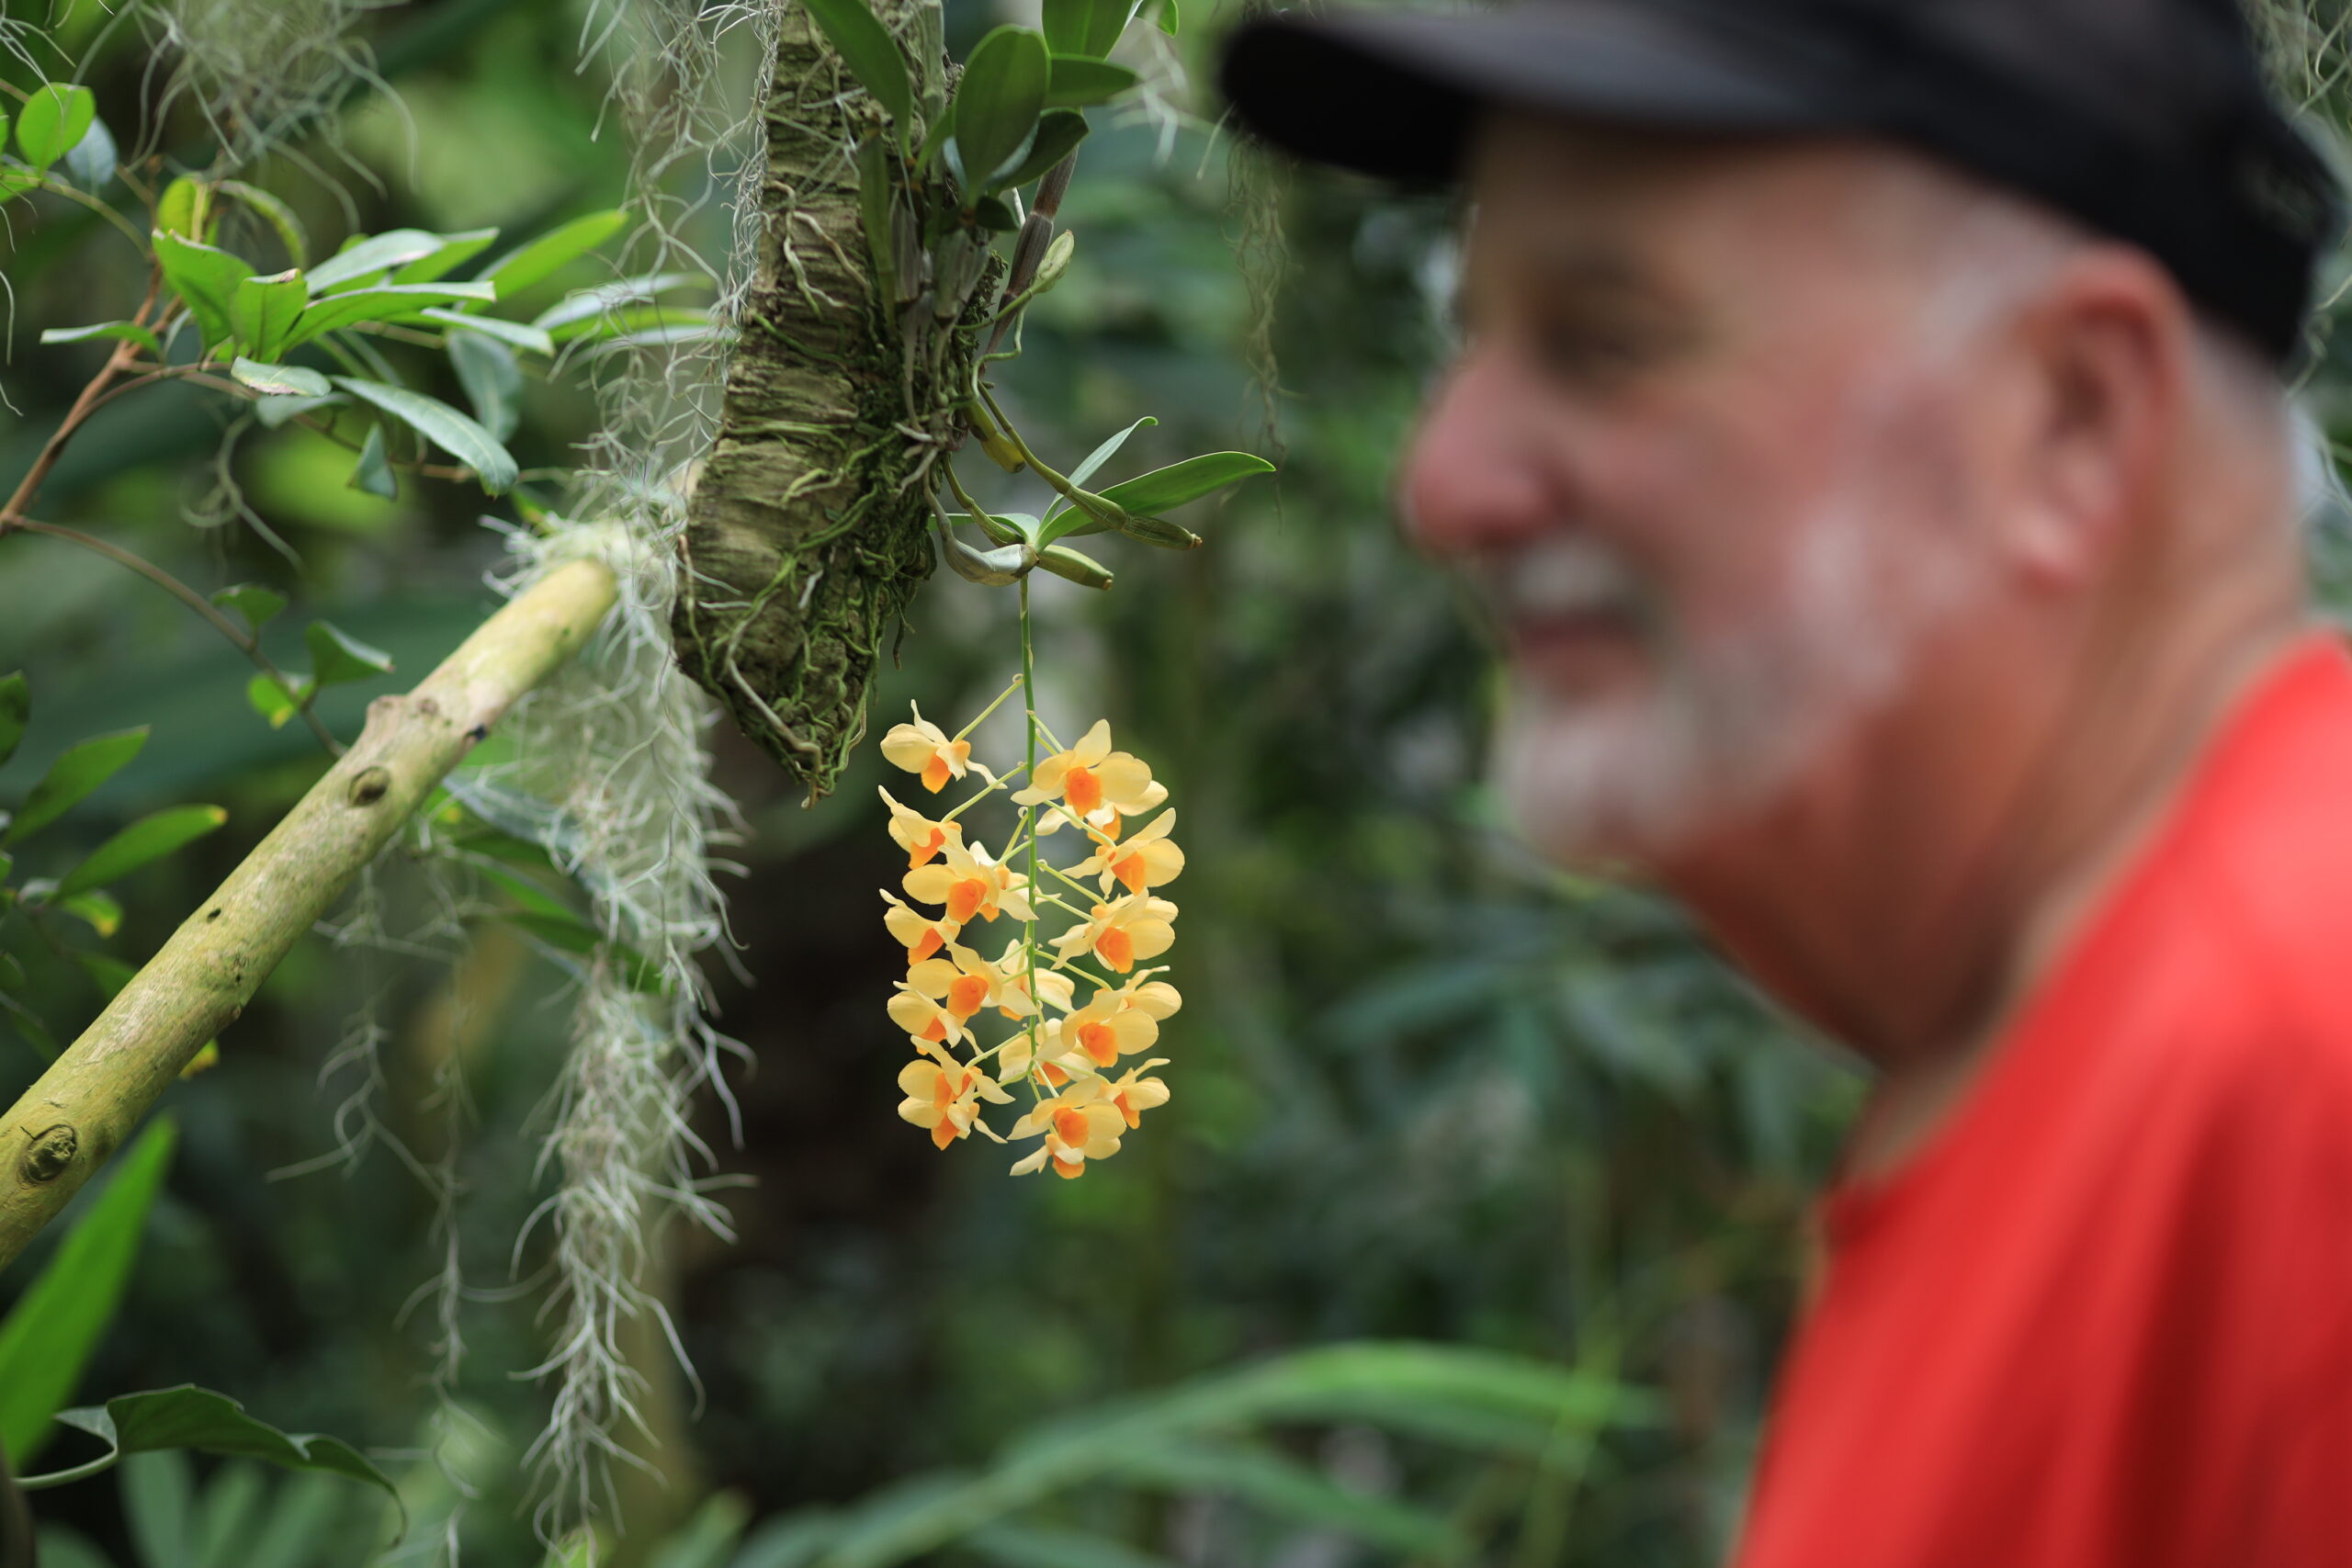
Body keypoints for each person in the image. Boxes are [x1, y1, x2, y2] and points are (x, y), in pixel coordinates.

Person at [1219, 3, 2352, 1565]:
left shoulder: (2301, 1053)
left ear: (2072, 419)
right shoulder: (2064, 1043)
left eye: (1605, 341)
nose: (1445, 481)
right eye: (1471, 341)